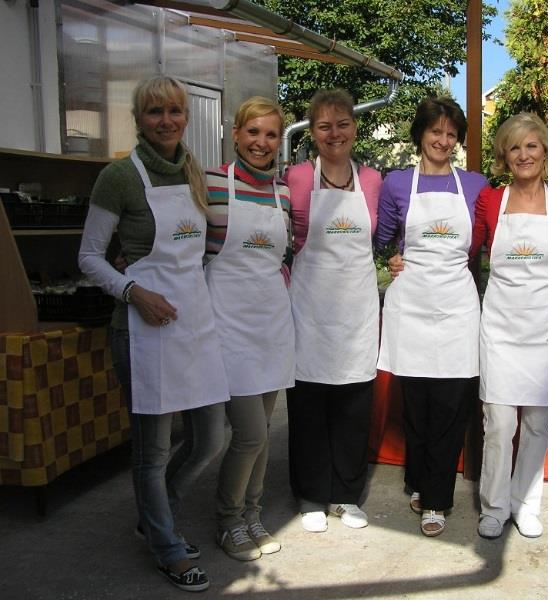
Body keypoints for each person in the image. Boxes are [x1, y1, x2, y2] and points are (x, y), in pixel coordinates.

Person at [78, 75, 230, 592]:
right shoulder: (119, 176)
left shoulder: (192, 169)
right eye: (154, 112)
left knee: (212, 436)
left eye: (174, 111)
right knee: (153, 451)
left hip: (195, 323)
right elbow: (89, 257)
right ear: (140, 119)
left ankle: (155, 513)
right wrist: (133, 292)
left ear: (186, 116)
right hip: (141, 330)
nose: (166, 120)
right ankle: (166, 546)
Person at [375, 96, 487, 537]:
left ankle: (437, 500)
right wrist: (394, 256)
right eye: (435, 131)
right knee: (417, 405)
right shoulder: (397, 183)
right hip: (412, 306)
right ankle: (420, 481)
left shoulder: (475, 185)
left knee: (450, 405)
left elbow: (481, 243)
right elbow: (384, 237)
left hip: (458, 306)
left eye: (450, 134)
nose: (443, 140)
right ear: (420, 134)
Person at [470, 113, 548, 540]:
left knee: (536, 423)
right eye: (515, 147)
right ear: (504, 156)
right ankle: (494, 507)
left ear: (545, 152)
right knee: (498, 422)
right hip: (500, 325)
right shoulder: (491, 201)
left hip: (547, 327)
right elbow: (466, 250)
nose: (524, 154)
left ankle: (526, 504)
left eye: (532, 145)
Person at [284, 89, 382, 533]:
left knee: (353, 407)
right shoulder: (297, 178)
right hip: (309, 309)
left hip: (357, 312)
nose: (334, 133)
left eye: (342, 123)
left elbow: (384, 239)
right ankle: (310, 495)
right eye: (324, 125)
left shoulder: (374, 181)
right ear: (312, 132)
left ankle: (345, 495)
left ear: (354, 128)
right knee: (308, 406)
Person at [204, 97, 294, 560]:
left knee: (262, 433)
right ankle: (227, 520)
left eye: (271, 134)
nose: (261, 142)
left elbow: (284, 257)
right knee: (251, 434)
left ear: (280, 140)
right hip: (228, 327)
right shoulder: (210, 184)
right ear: (236, 134)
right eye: (253, 133)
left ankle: (252, 516)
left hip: (271, 325)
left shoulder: (283, 193)